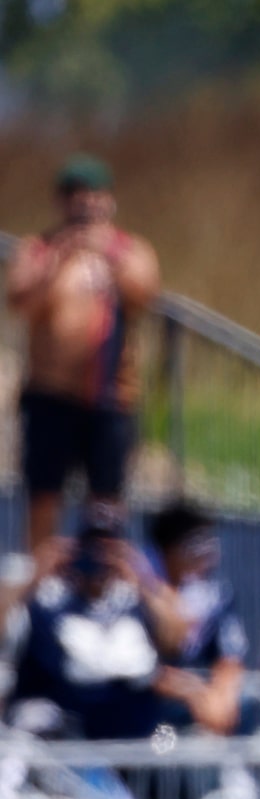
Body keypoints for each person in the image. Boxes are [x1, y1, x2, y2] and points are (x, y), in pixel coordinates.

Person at [6, 155, 159, 551]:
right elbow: (20, 298)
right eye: (76, 196)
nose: (85, 204)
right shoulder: (39, 248)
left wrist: (106, 251)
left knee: (106, 503)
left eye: (93, 196)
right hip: (50, 394)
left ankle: (101, 574)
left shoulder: (128, 249)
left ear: (108, 200)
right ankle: (38, 578)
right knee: (43, 496)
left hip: (110, 395)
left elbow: (145, 291)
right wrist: (60, 256)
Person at [5, 504, 198, 741]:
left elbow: (177, 639)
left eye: (108, 550)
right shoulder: (46, 599)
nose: (99, 559)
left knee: (170, 740)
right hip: (59, 734)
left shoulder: (136, 600)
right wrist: (36, 574)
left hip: (132, 732)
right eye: (92, 548)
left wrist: (144, 577)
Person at [137, 501, 246, 735]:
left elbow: (230, 657)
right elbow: (138, 667)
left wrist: (223, 697)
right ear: (170, 547)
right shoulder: (136, 591)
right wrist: (193, 690)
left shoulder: (215, 592)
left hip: (202, 703)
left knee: (246, 703)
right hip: (151, 703)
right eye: (197, 543)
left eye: (210, 542)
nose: (208, 552)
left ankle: (230, 769)